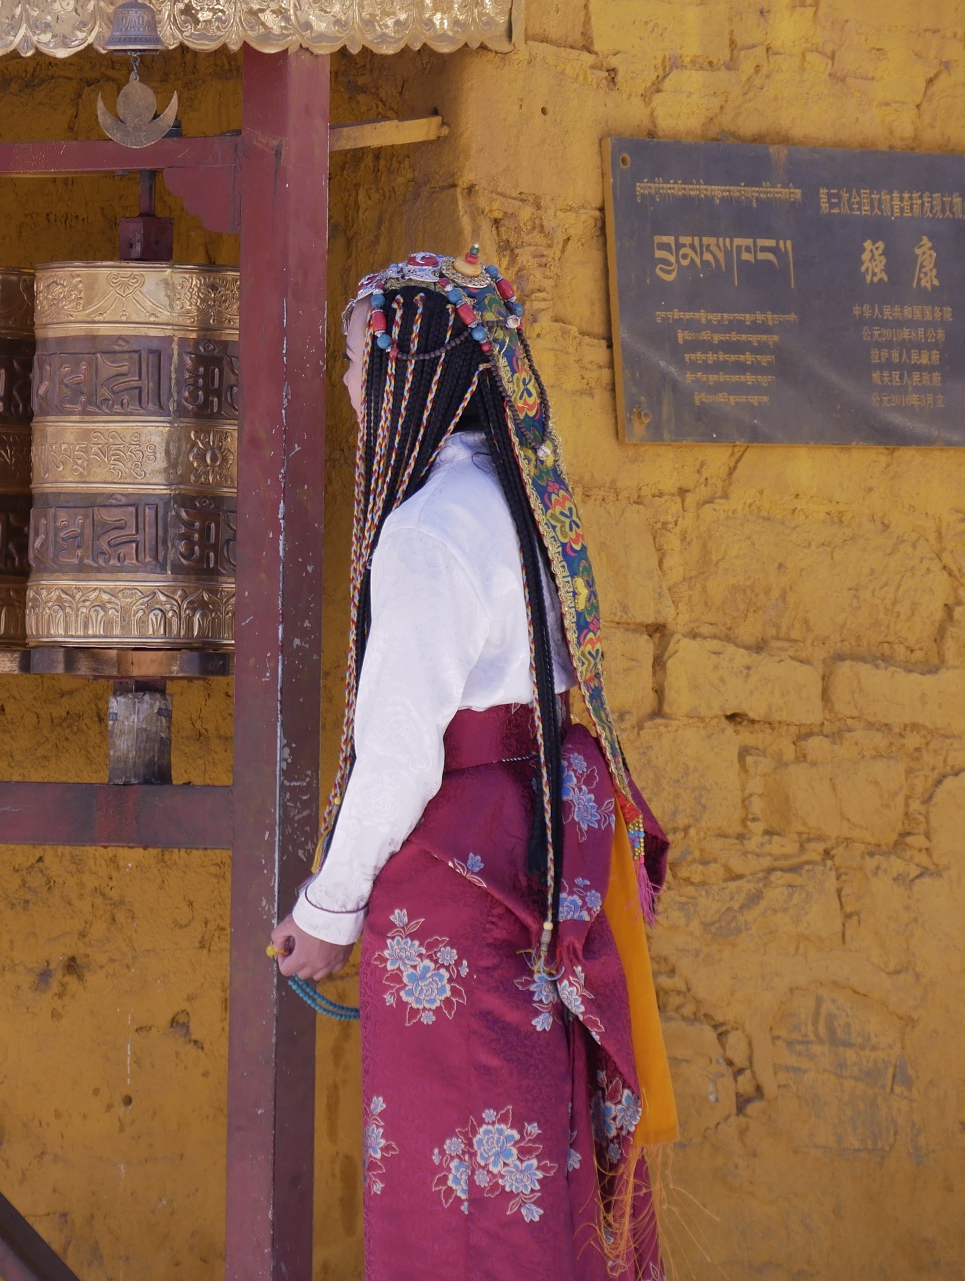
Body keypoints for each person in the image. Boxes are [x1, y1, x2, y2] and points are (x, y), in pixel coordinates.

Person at [271, 250, 676, 1279]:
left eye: (362, 370)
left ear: (411, 379)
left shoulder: (425, 536)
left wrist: (326, 914)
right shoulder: (529, 513)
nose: (353, 394)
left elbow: (401, 757)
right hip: (532, 858)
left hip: (458, 879)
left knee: (455, 1187)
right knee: (533, 1152)